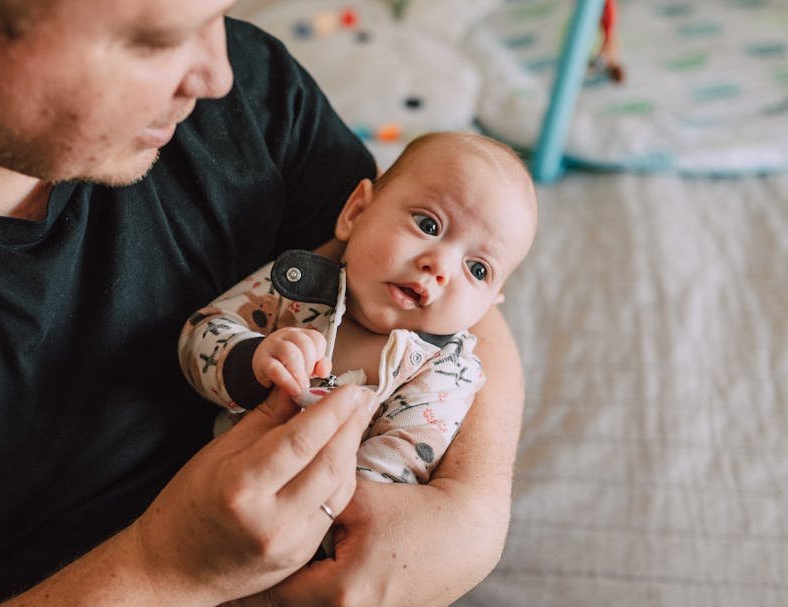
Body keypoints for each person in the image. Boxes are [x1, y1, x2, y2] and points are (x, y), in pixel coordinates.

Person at [0, 0, 526, 607]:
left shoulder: (245, 94)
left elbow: (435, 285)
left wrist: (473, 515)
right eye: (158, 38)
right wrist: (171, 567)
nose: (218, 72)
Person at [180, 132, 536, 487]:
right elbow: (200, 333)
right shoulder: (297, 285)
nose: (440, 266)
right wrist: (251, 360)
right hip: (207, 482)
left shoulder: (442, 373)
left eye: (478, 269)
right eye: (428, 225)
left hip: (315, 527)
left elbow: (396, 467)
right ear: (356, 212)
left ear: (490, 304)